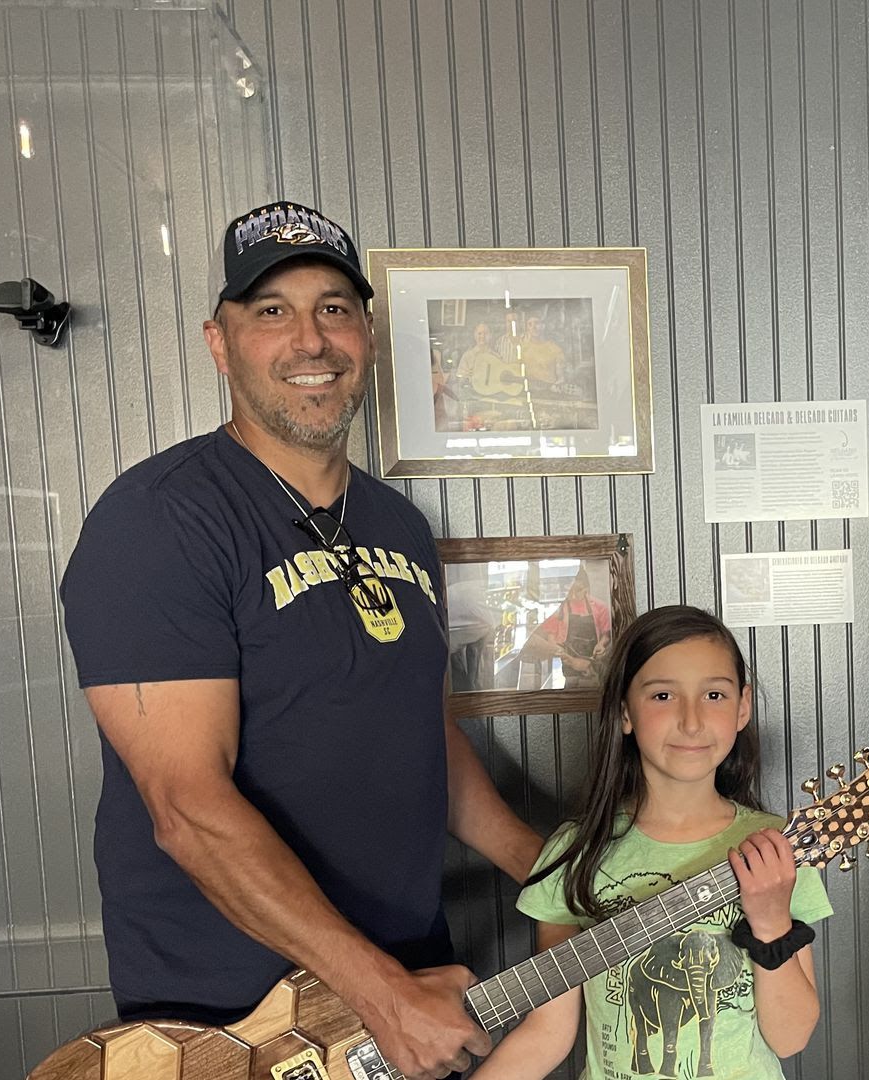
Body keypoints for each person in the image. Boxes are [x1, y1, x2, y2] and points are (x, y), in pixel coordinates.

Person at [59, 200, 543, 1080]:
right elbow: (186, 810)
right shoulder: (159, 523)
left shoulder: (397, 526)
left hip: (404, 973)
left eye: (333, 308)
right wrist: (381, 994)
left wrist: (549, 869)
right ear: (220, 342)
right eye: (271, 311)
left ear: (366, 333)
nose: (310, 340)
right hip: (236, 1020)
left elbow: (420, 736)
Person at [476, 604, 832, 1080]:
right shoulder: (574, 853)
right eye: (663, 695)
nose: (690, 720)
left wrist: (771, 926)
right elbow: (547, 1031)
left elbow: (791, 1037)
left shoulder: (773, 849)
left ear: (743, 707)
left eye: (713, 694)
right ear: (625, 711)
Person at [521, 565, 613, 687]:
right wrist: (572, 661)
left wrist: (601, 644)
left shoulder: (600, 607)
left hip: (594, 668)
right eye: (571, 591)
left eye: (579, 590)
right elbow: (551, 642)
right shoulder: (559, 610)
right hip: (569, 671)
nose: (574, 595)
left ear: (586, 588)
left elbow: (606, 634)